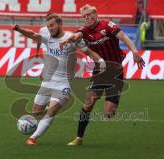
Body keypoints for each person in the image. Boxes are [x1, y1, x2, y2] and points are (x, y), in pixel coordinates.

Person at [12, 13, 106, 145]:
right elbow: (33, 35)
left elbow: (89, 52)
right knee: (36, 112)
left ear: (60, 24)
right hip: (48, 81)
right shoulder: (47, 38)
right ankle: (44, 116)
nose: (50, 28)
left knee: (51, 112)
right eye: (48, 26)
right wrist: (20, 30)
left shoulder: (71, 39)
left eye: (53, 25)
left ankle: (32, 138)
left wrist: (101, 61)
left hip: (64, 84)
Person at [60, 4, 145, 146]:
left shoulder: (108, 25)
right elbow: (77, 35)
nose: (87, 18)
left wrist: (135, 51)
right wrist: (67, 40)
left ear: (95, 14)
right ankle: (78, 138)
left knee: (108, 113)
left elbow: (123, 37)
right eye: (84, 17)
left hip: (115, 70)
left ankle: (114, 98)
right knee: (88, 103)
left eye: (89, 15)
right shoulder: (85, 31)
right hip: (100, 70)